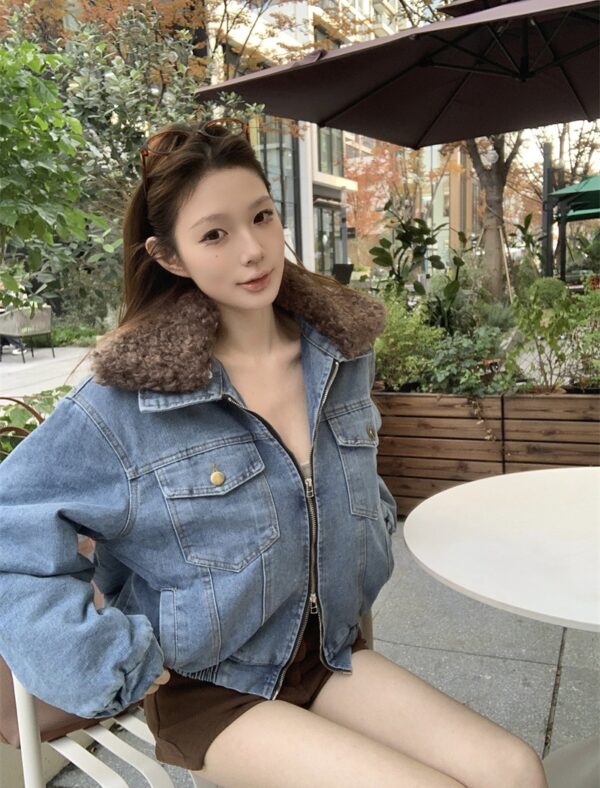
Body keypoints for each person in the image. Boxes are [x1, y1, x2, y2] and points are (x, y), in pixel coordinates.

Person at [0, 118, 547, 788]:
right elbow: (10, 530)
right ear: (170, 257)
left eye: (261, 216)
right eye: (215, 235)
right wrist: (105, 660)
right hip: (208, 684)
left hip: (324, 651)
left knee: (515, 770)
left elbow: (351, 484)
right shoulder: (126, 402)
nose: (254, 250)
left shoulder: (338, 355)